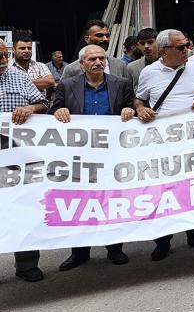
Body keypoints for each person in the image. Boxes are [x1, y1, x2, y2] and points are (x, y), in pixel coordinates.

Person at [50, 45, 135, 271]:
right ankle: (79, 252)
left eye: (101, 58)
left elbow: (131, 106)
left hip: (112, 155)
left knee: (111, 201)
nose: (98, 62)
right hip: (79, 157)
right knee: (80, 203)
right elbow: (54, 110)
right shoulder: (67, 85)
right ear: (82, 64)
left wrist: (129, 111)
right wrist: (58, 112)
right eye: (92, 59)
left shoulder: (121, 83)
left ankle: (114, 248)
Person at [134, 29, 194, 261]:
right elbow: (139, 98)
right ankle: (163, 241)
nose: (186, 50)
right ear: (163, 51)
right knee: (163, 192)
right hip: (162, 143)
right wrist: (140, 109)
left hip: (193, 140)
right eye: (180, 47)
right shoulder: (149, 73)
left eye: (187, 45)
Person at [0, 40, 49, 282]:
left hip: (19, 158)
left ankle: (27, 265)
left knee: (23, 208)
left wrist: (31, 108)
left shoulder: (18, 77)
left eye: (4, 56)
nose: (2, 61)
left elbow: (45, 103)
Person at [63, 20, 128, 78]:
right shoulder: (71, 69)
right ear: (87, 39)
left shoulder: (120, 65)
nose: (105, 39)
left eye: (107, 36)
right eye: (99, 35)